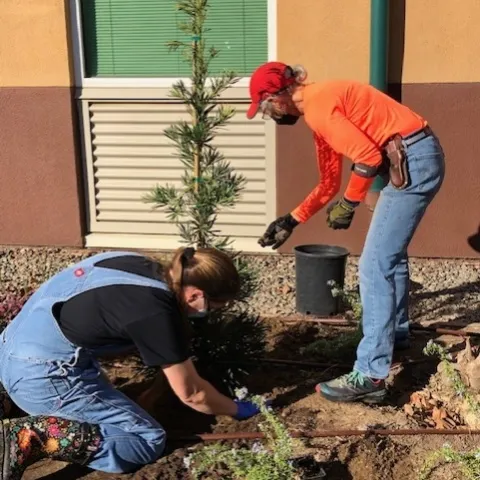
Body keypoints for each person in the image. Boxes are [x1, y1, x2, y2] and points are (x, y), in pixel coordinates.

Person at [246, 62, 445, 404]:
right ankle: (395, 334)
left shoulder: (321, 108)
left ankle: (370, 374)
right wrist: (291, 220)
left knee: (373, 266)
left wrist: (349, 204)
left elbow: (367, 157)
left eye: (264, 109)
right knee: (389, 256)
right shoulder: (322, 104)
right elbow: (327, 183)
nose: (270, 116)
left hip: (412, 160)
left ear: (278, 99)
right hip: (416, 155)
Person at [0, 247, 262, 478]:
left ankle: (8, 400)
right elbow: (192, 394)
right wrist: (236, 409)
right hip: (40, 374)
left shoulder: (135, 264)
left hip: (10, 346)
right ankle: (32, 437)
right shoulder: (156, 312)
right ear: (196, 295)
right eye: (214, 307)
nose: (210, 314)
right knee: (145, 440)